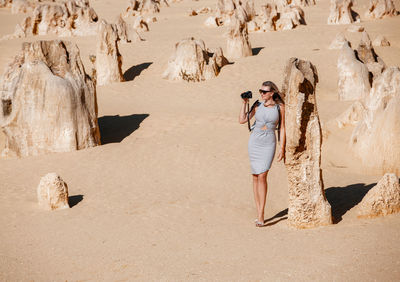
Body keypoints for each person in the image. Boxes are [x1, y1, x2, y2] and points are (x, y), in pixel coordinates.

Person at [238, 81, 286, 227]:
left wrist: (282, 147)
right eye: (261, 91)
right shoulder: (257, 105)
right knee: (255, 176)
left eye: (264, 91)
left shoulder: (280, 108)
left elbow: (283, 128)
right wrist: (244, 103)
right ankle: (258, 211)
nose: (262, 94)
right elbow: (242, 120)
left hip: (269, 142)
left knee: (263, 175)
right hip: (255, 141)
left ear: (272, 93)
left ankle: (261, 214)